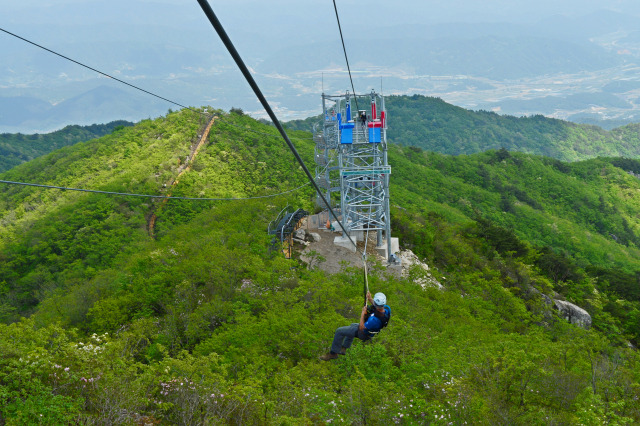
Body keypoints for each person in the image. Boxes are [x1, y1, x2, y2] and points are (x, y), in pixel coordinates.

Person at [320, 291, 390, 361]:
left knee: (339, 331)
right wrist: (370, 299)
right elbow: (377, 306)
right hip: (370, 332)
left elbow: (361, 327)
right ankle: (344, 348)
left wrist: (362, 314)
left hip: (363, 334)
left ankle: (333, 353)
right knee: (352, 325)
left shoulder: (374, 320)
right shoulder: (386, 310)